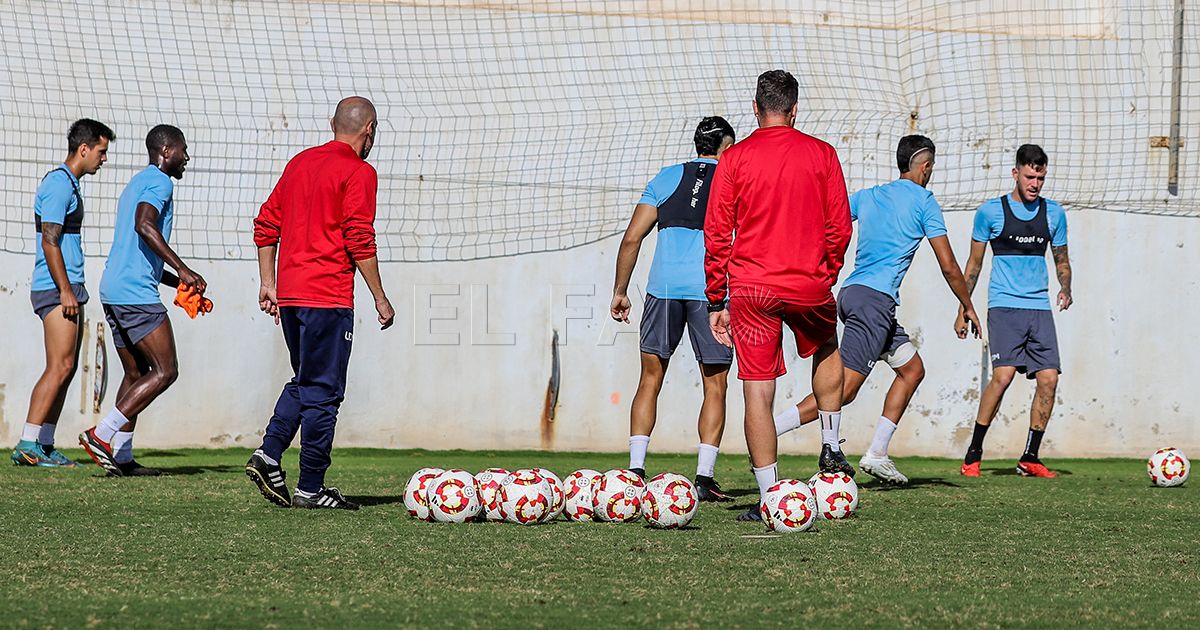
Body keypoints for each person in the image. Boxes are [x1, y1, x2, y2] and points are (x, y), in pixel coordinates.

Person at [771, 135, 982, 484]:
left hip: (855, 293)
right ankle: (768, 431)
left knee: (912, 370)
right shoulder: (925, 202)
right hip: (874, 303)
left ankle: (877, 453)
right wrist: (967, 304)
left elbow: (827, 220)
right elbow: (949, 265)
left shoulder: (870, 196)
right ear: (925, 167)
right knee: (844, 390)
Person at [704, 70, 852, 521]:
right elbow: (840, 228)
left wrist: (716, 299)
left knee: (757, 393)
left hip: (750, 290)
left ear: (755, 108)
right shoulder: (822, 154)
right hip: (808, 283)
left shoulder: (734, 159)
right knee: (826, 347)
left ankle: (770, 497)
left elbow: (717, 233)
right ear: (794, 109)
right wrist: (824, 273)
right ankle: (830, 445)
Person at [246, 96, 395, 510]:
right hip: (326, 298)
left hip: (291, 297)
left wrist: (268, 283)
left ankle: (269, 453)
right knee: (325, 392)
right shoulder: (359, 171)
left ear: (334, 124)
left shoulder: (300, 164)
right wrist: (380, 297)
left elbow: (265, 225)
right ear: (369, 129)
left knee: (306, 380)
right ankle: (310, 487)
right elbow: (358, 237)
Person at [610, 116, 737, 501]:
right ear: (726, 148)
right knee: (715, 384)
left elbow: (633, 237)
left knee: (650, 378)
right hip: (710, 292)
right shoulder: (734, 180)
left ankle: (635, 472)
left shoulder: (666, 177)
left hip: (662, 288)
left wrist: (620, 290)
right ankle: (703, 478)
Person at [79, 124, 205, 477]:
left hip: (115, 288)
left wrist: (174, 280)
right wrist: (183, 269)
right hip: (134, 293)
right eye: (183, 150)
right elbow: (144, 226)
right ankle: (101, 435)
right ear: (166, 152)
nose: (187, 157)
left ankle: (121, 455)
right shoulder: (160, 182)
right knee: (166, 370)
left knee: (136, 372)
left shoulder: (137, 181)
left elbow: (140, 247)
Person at [957, 144, 1072, 478]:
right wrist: (964, 307)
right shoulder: (990, 212)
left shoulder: (1054, 214)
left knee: (1049, 379)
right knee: (1003, 376)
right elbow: (974, 264)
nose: (1035, 183)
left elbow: (1062, 259)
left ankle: (1030, 457)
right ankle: (973, 453)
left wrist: (1066, 288)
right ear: (1016, 173)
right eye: (1029, 176)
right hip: (1004, 306)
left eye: (1040, 177)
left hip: (1038, 308)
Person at [11, 119, 114, 467]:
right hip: (55, 289)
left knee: (67, 368)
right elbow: (49, 240)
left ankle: (44, 443)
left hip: (69, 287)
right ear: (83, 149)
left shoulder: (70, 184)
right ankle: (26, 443)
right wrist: (65, 290)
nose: (103, 159)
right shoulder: (58, 184)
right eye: (101, 152)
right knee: (58, 366)